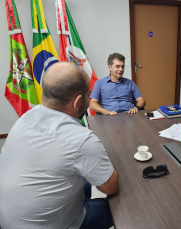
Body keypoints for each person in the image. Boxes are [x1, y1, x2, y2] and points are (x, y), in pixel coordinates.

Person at [0, 62, 119, 228]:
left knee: (85, 178)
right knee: (121, 207)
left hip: (8, 221)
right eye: (88, 96)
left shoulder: (24, 119)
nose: (89, 99)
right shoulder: (82, 140)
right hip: (60, 225)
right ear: (78, 102)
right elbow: (111, 187)